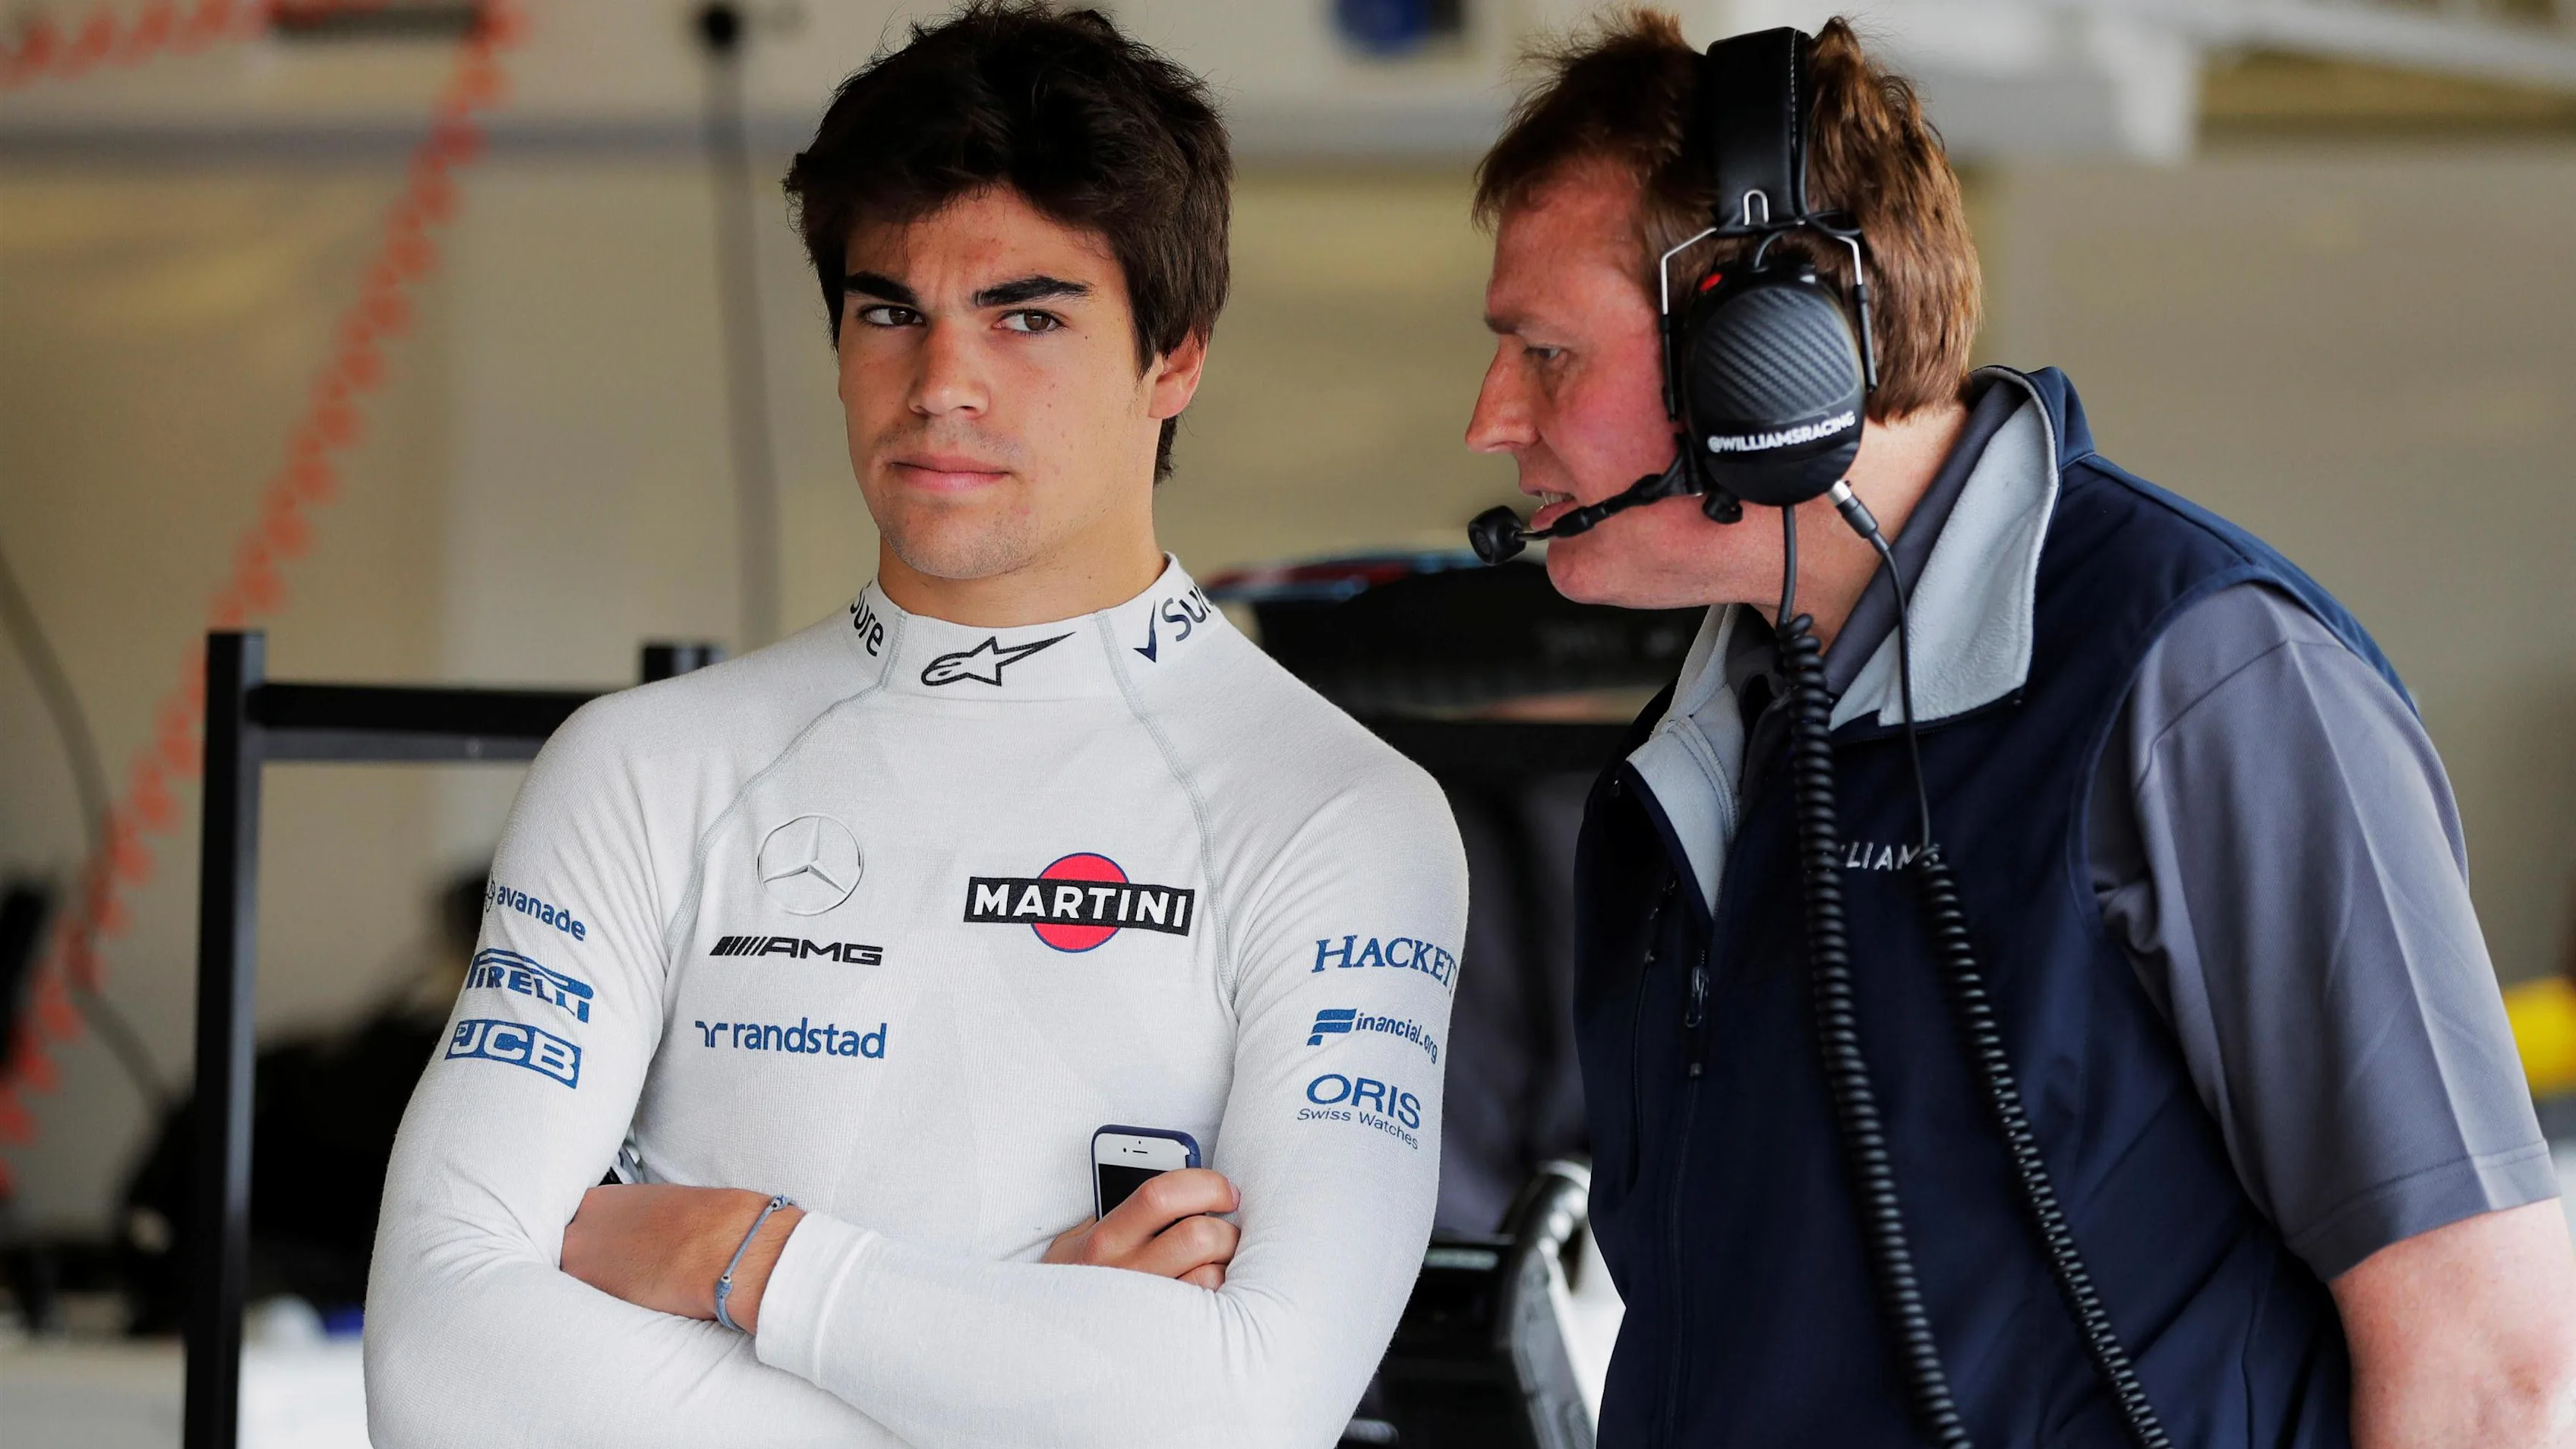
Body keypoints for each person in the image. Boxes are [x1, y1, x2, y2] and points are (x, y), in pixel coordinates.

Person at [1463, 13, 2576, 1447]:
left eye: (1547, 354)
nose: (1495, 419)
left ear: (1773, 355)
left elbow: (2490, 1370)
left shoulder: (2202, 682)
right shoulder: (1702, 753)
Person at [364, 7, 1466, 1446]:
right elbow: (440, 1384)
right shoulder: (645, 768)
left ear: (1175, 358)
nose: (942, 381)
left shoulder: (1341, 816)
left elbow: (1242, 1417)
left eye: (1028, 313)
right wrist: (1034, 1374)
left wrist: (736, 1255)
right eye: (891, 309)